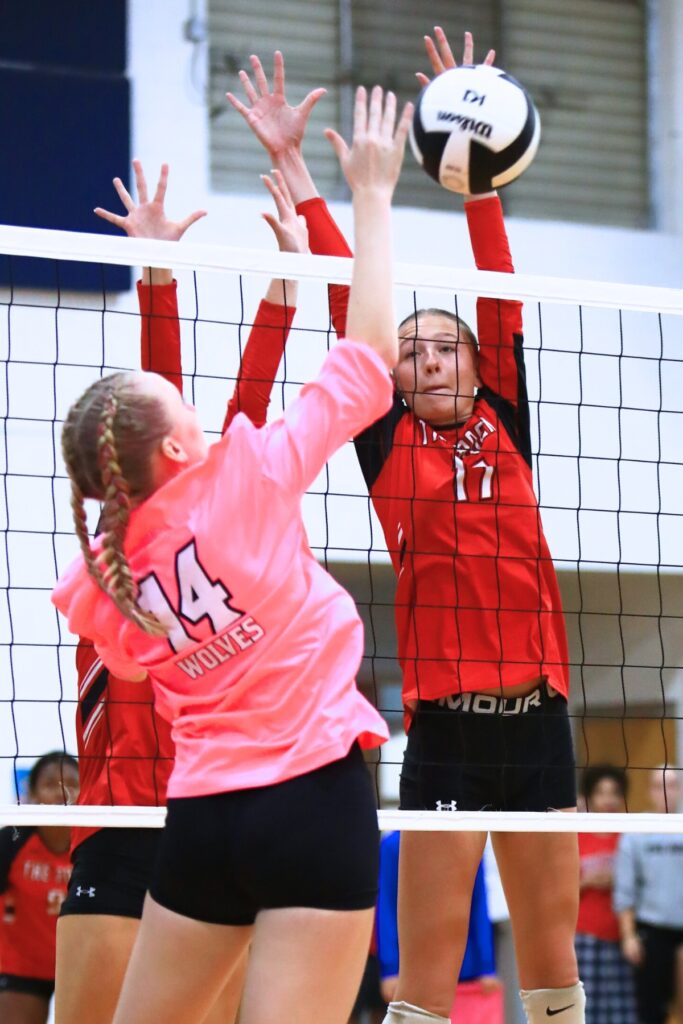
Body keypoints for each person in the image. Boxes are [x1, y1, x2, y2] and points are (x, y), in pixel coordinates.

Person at [228, 28, 583, 1024]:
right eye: (410, 351)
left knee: (552, 970)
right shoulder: (385, 442)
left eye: (443, 348)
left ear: (478, 363)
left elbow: (495, 270)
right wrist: (294, 164)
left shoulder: (504, 417)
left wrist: (472, 166)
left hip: (540, 723)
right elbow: (353, 291)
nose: (423, 360)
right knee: (424, 977)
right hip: (443, 734)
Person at [52, 86, 412, 1024]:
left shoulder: (106, 571)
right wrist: (371, 195)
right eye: (174, 399)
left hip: (202, 819)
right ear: (172, 448)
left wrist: (164, 277)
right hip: (313, 802)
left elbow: (130, 653)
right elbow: (371, 352)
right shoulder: (247, 478)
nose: (199, 404)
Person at [54, 158, 309, 1024]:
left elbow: (243, 403)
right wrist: (159, 277)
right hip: (130, 826)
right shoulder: (123, 543)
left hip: (214, 822)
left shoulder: (224, 528)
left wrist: (288, 282)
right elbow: (150, 405)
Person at [377, 833, 503, 1024]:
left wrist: (487, 967)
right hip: (413, 970)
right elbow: (386, 909)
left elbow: (479, 905)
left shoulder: (468, 840)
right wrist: (390, 969)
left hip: (466, 968)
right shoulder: (393, 845)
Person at [0, 752, 79, 1024]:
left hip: (80, 965)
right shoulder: (11, 840)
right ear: (31, 794)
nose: (63, 792)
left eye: (71, 783)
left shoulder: (98, 844)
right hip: (22, 966)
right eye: (50, 784)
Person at [614, 766, 683, 1024]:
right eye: (659, 785)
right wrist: (628, 935)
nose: (666, 791)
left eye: (672, 784)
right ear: (650, 791)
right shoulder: (637, 830)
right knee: (651, 1012)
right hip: (652, 933)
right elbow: (625, 890)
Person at [575, 766, 636, 1024]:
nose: (608, 799)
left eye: (614, 793)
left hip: (622, 937)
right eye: (601, 792)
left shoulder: (629, 835)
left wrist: (618, 880)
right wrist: (588, 880)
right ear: (590, 797)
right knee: (587, 1010)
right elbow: (561, 889)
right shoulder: (576, 835)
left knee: (622, 1011)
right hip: (584, 936)